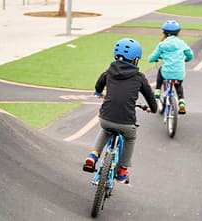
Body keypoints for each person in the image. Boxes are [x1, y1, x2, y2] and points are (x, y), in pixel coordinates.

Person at [82, 38, 157, 184]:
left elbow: (99, 84)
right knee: (130, 138)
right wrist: (153, 109)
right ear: (136, 60)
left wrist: (98, 93)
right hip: (126, 122)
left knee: (105, 130)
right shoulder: (139, 77)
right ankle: (122, 171)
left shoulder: (109, 71)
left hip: (106, 118)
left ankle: (93, 155)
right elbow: (150, 97)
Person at [148, 20, 194, 114]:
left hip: (166, 73)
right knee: (178, 85)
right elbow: (190, 55)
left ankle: (157, 94)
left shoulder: (162, 44)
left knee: (161, 70)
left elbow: (151, 58)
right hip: (179, 73)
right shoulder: (181, 43)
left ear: (164, 33)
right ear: (178, 32)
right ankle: (181, 102)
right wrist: (186, 59)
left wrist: (155, 59)